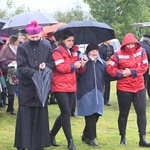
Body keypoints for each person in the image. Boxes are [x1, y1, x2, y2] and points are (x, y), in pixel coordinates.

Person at [14, 20, 55, 150]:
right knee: (25, 117)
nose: (36, 39)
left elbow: (51, 63)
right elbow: (21, 67)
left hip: (40, 89)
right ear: (28, 36)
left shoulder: (46, 47)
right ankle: (23, 144)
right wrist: (35, 72)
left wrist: (45, 66)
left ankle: (38, 144)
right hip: (27, 87)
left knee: (40, 116)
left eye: (37, 37)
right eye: (33, 37)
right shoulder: (22, 48)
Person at [107, 33, 150, 147]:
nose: (131, 46)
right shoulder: (117, 54)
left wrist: (131, 72)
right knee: (123, 113)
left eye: (132, 44)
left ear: (136, 43)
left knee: (141, 113)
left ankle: (143, 138)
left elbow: (144, 66)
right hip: (124, 88)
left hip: (139, 87)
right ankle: (123, 137)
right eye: (128, 44)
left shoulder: (141, 51)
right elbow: (110, 68)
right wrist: (121, 73)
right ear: (124, 44)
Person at [50, 30, 82, 150]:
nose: (71, 43)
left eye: (72, 40)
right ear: (63, 40)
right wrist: (74, 66)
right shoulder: (57, 52)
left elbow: (76, 68)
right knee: (66, 113)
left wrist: (81, 64)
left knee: (66, 112)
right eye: (69, 40)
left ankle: (51, 134)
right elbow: (60, 68)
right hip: (59, 86)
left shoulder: (74, 51)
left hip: (71, 85)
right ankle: (70, 141)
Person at [76, 43, 106, 147]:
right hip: (85, 92)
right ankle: (92, 138)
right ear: (88, 52)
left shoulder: (102, 63)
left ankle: (85, 134)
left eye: (96, 51)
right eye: (92, 51)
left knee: (97, 114)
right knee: (89, 114)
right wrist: (82, 65)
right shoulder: (83, 61)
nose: (94, 53)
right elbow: (77, 74)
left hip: (98, 92)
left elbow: (107, 75)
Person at [0, 35, 19, 115]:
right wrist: (10, 62)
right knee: (10, 88)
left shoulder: (18, 49)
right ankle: (10, 107)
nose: (18, 42)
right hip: (8, 71)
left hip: (17, 70)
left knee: (14, 88)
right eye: (17, 41)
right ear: (13, 41)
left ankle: (10, 107)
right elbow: (1, 59)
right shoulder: (6, 49)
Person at [99, 40, 114, 106]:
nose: (110, 41)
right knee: (102, 84)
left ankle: (106, 99)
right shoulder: (101, 48)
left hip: (109, 68)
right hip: (103, 67)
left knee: (107, 84)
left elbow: (113, 56)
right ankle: (101, 98)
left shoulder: (111, 47)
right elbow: (100, 58)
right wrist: (105, 62)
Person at [44, 32, 57, 104]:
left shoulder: (54, 45)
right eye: (53, 36)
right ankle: (47, 98)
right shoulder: (46, 44)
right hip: (47, 64)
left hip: (52, 64)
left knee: (52, 82)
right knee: (47, 82)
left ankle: (52, 98)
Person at [140, 34, 150, 99]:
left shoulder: (137, 45)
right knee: (146, 83)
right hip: (146, 68)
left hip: (136, 68)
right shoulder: (148, 47)